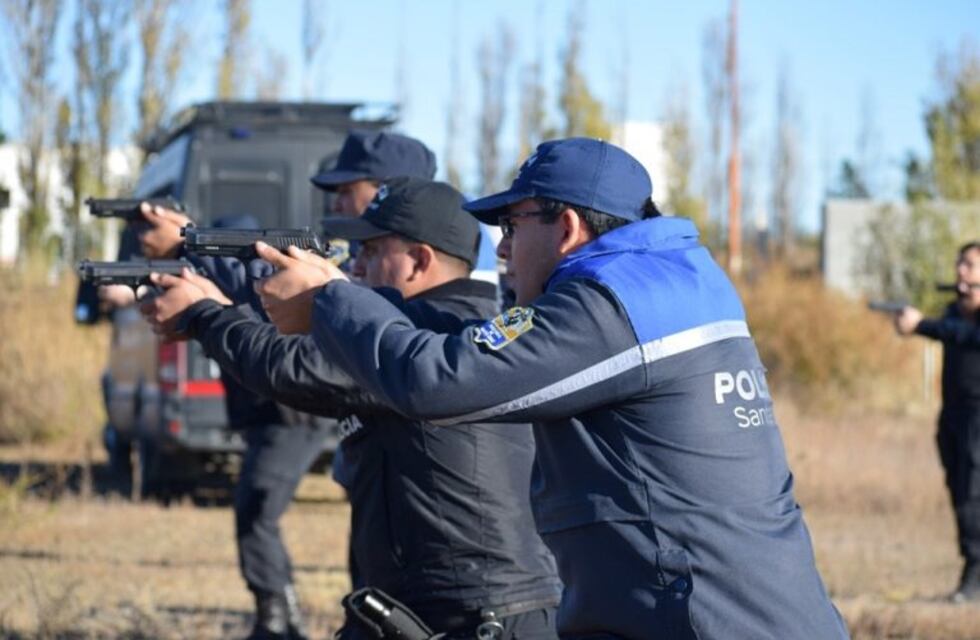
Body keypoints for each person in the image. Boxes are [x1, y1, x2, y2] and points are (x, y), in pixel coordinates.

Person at [279, 138, 850, 639]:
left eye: (513, 226)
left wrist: (330, 302)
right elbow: (472, 343)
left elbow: (436, 382)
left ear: (569, 227)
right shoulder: (667, 281)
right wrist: (345, 293)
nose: (500, 250)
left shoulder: (605, 306)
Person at [141, 177, 562, 639]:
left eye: (370, 251)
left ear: (419, 260)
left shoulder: (428, 333)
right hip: (427, 603)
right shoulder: (445, 322)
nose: (354, 267)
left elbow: (290, 367)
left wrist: (206, 314)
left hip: (474, 614)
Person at [136, 130, 438, 640]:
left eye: (349, 188)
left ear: (392, 189)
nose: (336, 201)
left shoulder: (415, 264)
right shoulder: (371, 256)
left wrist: (195, 258)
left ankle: (278, 618)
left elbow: (292, 337)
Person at [893, 241, 980, 603]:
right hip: (953, 416)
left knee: (973, 496)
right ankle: (972, 566)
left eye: (971, 266)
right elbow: (947, 329)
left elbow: (965, 336)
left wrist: (921, 325)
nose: (962, 271)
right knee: (960, 492)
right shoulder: (952, 313)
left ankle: (975, 572)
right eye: (960, 264)